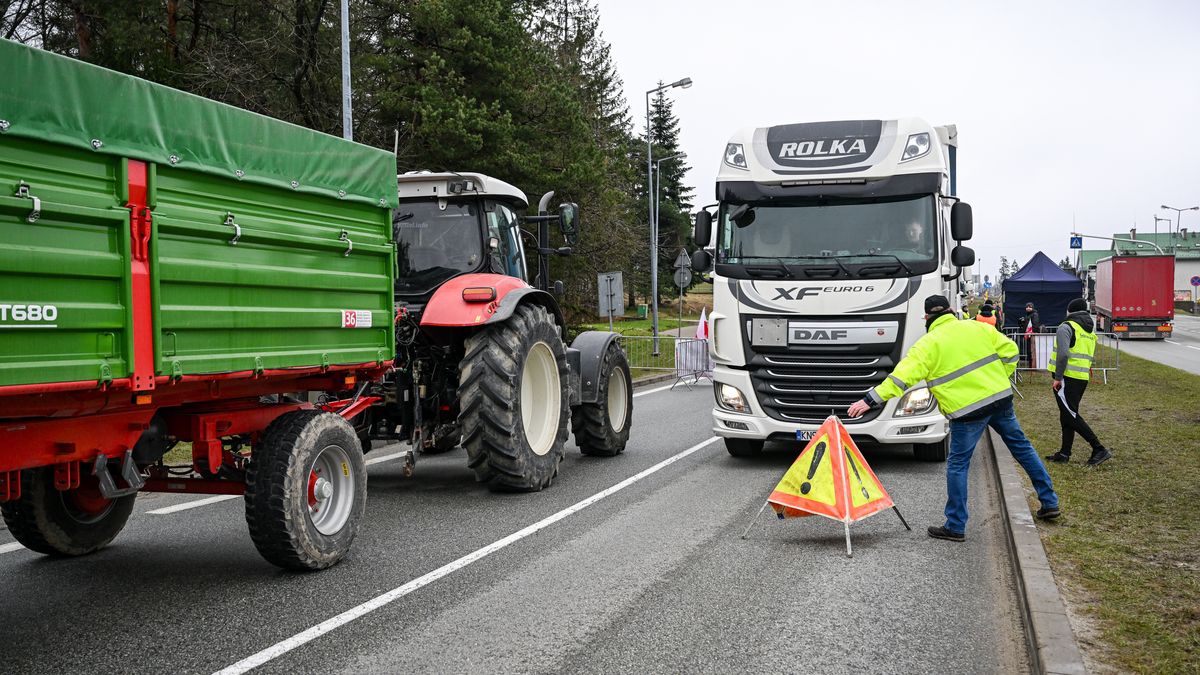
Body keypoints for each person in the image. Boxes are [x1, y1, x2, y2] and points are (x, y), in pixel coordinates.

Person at [847, 294, 1060, 542]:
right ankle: (1049, 501)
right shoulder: (978, 328)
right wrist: (1001, 376)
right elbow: (1012, 351)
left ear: (927, 317)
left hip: (966, 412)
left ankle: (956, 525)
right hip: (999, 400)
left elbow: (899, 379)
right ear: (950, 310)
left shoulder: (927, 345)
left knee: (959, 465)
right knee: (1022, 448)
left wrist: (868, 400)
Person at [1045, 298, 1113, 466]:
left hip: (1067, 377)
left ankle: (1099, 448)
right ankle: (1064, 453)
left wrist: (1058, 377)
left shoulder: (1066, 327)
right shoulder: (1089, 329)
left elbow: (1063, 355)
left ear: (1069, 311)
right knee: (1067, 414)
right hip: (1081, 378)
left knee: (1070, 415)